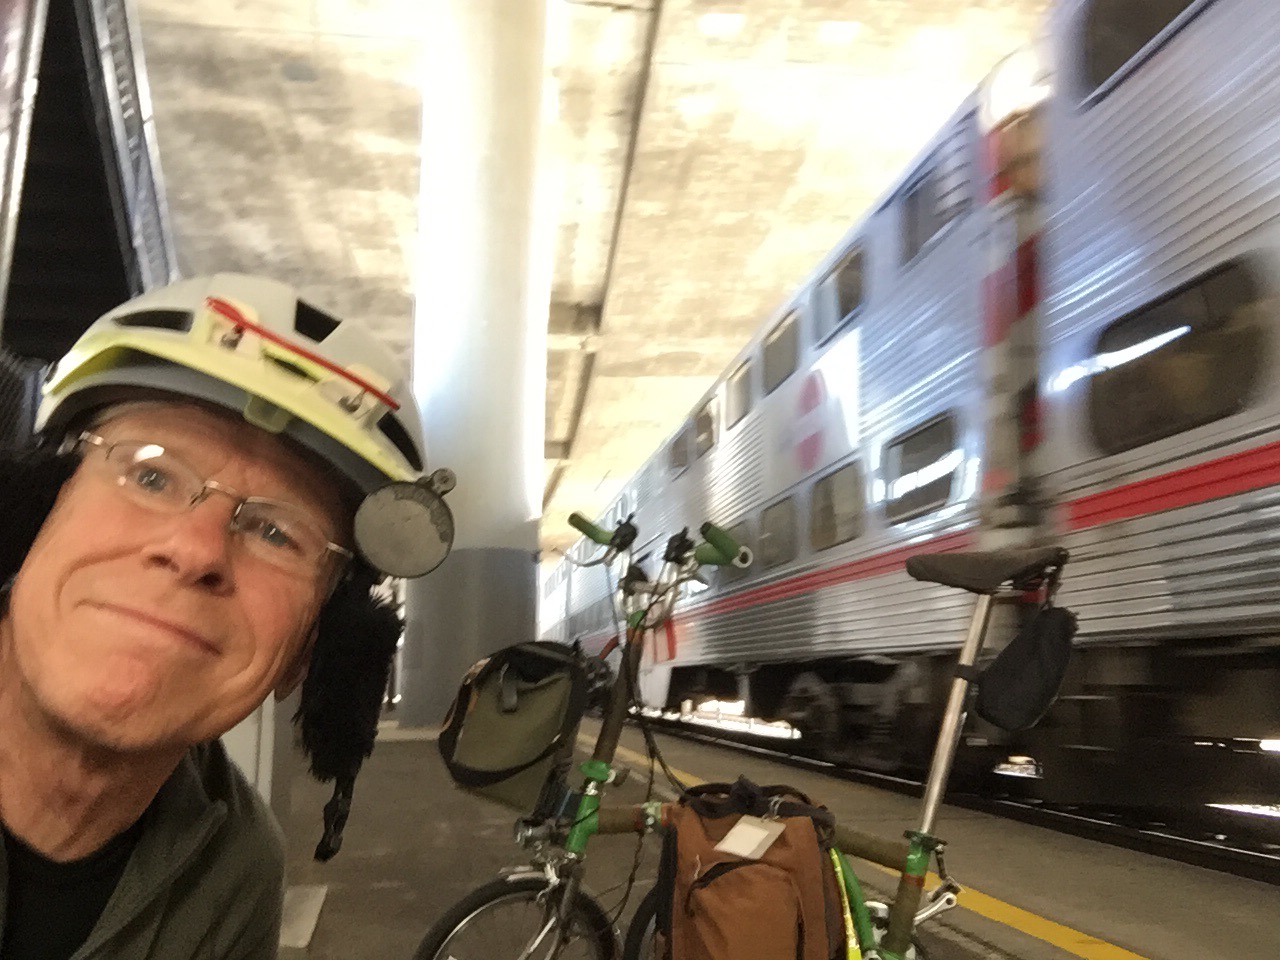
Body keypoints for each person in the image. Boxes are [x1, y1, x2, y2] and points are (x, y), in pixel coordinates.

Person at [0, 274, 453, 959]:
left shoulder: (235, 874)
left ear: (310, 651)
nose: (196, 550)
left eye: (277, 533)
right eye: (150, 475)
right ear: (33, 518)